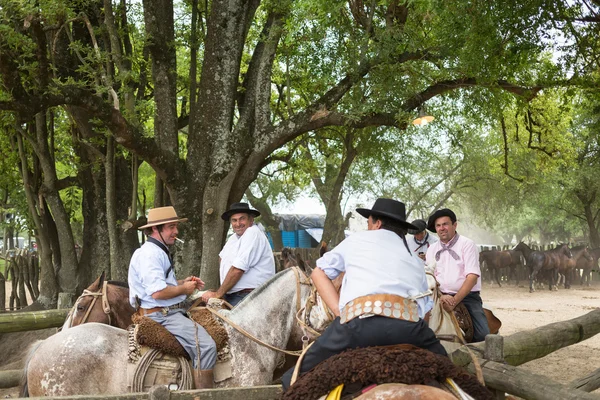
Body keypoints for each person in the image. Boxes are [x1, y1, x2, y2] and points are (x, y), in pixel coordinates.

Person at [281, 198, 447, 391]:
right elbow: (425, 310)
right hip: (408, 329)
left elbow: (319, 273)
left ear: (377, 223)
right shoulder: (413, 256)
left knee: (294, 378)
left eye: (369, 222)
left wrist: (340, 312)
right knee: (450, 371)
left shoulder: (356, 240)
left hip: (357, 328)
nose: (368, 227)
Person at [128, 206, 217, 389]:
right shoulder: (150, 254)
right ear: (155, 229)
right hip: (161, 316)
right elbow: (158, 293)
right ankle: (203, 395)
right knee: (206, 347)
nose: (175, 232)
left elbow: (160, 285)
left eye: (176, 226)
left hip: (165, 312)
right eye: (171, 227)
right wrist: (184, 289)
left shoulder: (156, 251)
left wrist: (183, 282)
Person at [425, 208, 490, 342]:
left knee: (483, 335)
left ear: (455, 225)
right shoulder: (432, 249)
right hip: (439, 296)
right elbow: (430, 276)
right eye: (438, 225)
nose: (442, 228)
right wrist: (441, 296)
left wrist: (454, 301)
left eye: (445, 224)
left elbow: (472, 277)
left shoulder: (467, 244)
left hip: (467, 297)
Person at [201, 202, 275, 306]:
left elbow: (238, 269)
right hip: (233, 294)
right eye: (234, 220)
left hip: (251, 295)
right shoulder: (234, 238)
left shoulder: (252, 232)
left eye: (242, 219)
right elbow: (222, 258)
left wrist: (218, 293)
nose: (238, 223)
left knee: (223, 320)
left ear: (251, 219)